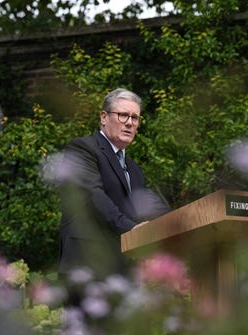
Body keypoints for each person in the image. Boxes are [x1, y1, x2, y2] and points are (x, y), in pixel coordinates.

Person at [57, 88, 168, 278]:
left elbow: (149, 205)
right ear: (104, 117)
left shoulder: (134, 169)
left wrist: (180, 223)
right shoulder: (82, 149)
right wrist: (131, 229)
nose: (129, 123)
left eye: (135, 118)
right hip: (85, 266)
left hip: (120, 271)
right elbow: (94, 195)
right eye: (123, 115)